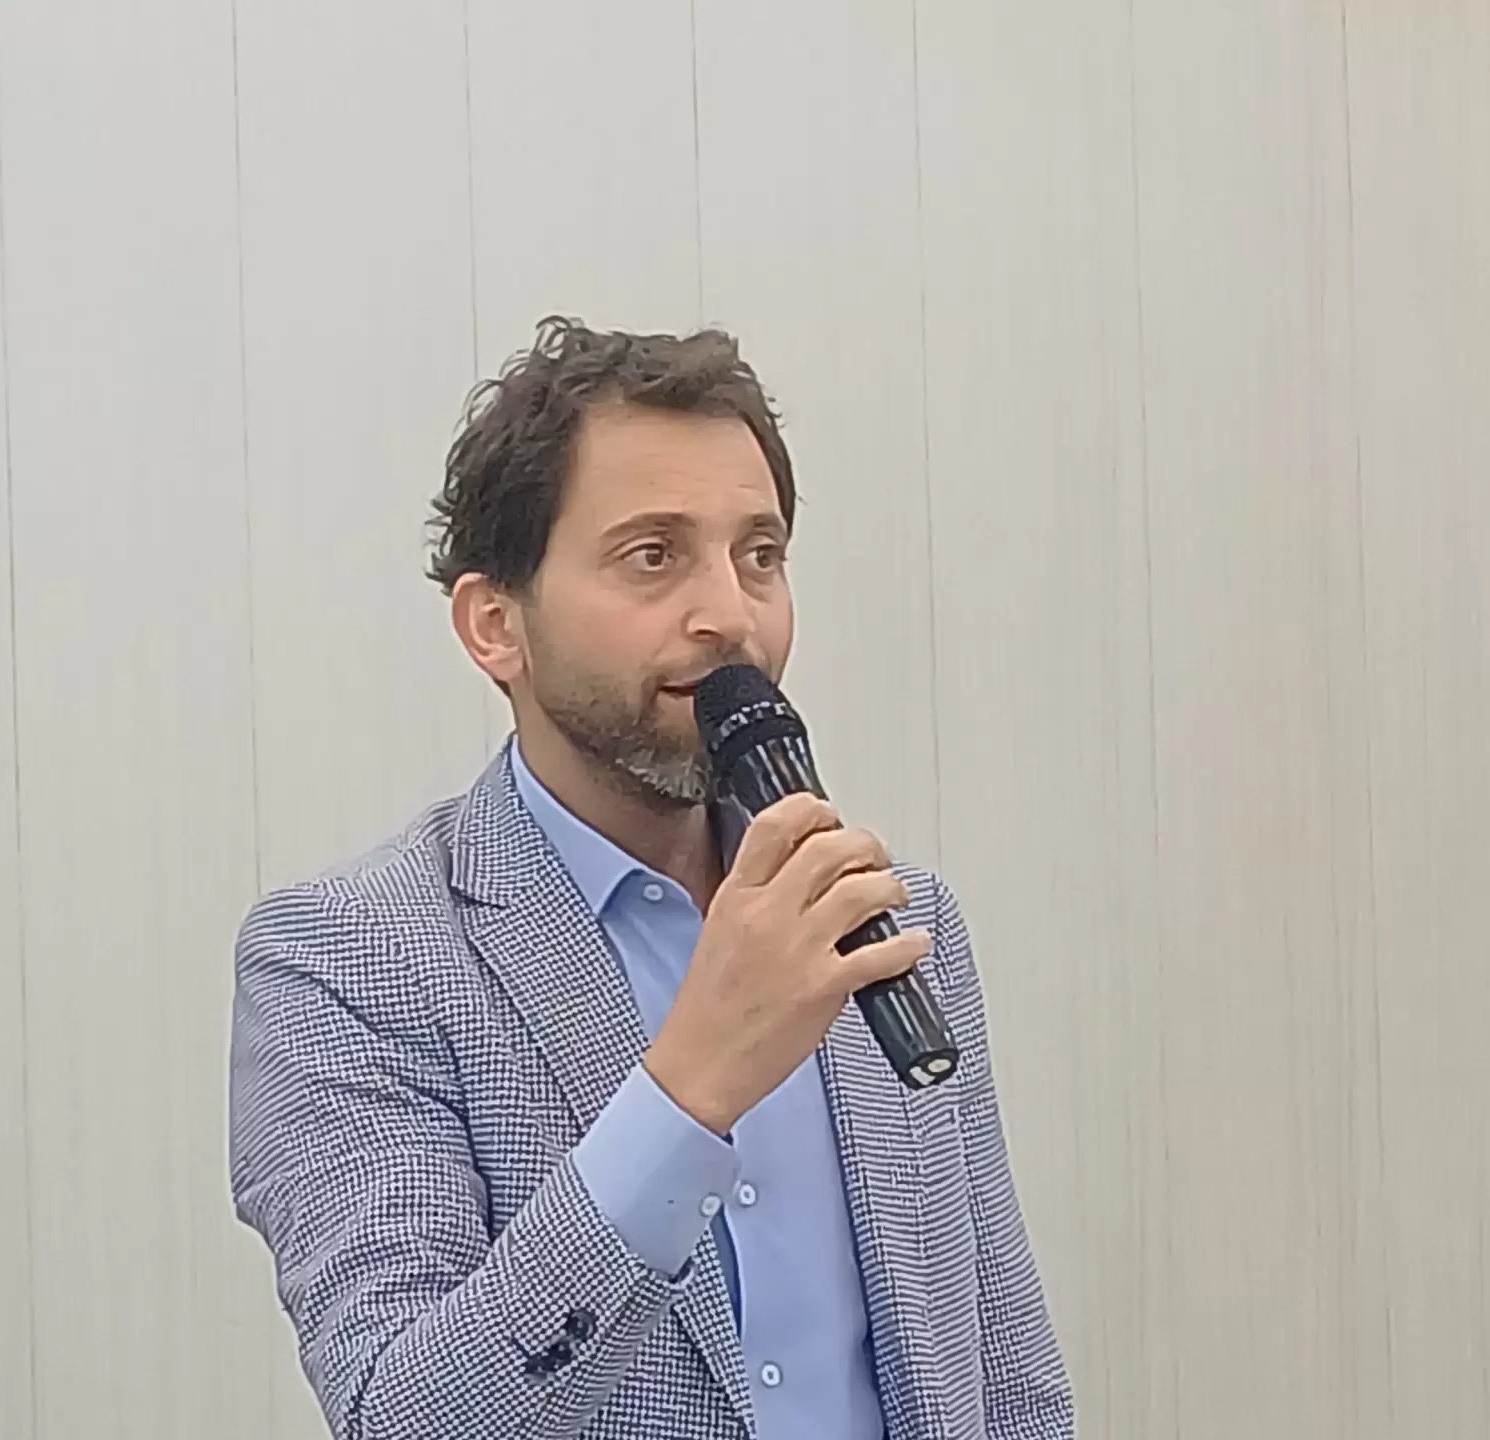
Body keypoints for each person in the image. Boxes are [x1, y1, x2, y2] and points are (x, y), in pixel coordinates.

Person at [228, 318, 1075, 1439]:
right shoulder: (346, 960)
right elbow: (406, 1416)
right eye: (653, 555)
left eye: (759, 555)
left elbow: (1008, 1379)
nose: (730, 615)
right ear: (495, 626)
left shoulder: (887, 923)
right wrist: (689, 1090)